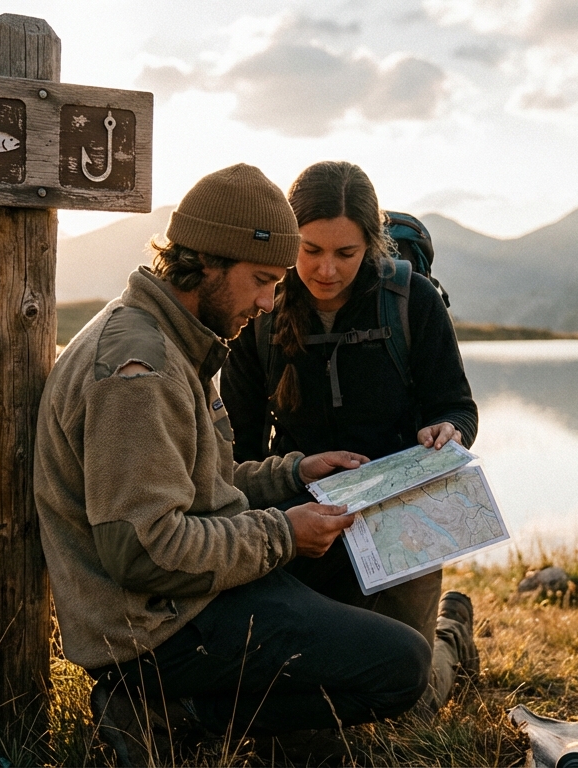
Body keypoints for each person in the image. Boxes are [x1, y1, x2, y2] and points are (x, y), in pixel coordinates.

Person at [33, 163, 431, 766]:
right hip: (156, 630)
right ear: (209, 263)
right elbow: (145, 551)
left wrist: (293, 475)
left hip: (190, 598)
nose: (270, 302)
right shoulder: (141, 372)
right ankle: (172, 713)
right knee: (402, 669)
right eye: (262, 280)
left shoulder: (174, 338)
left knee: (364, 606)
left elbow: (200, 484)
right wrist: (284, 533)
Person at [222, 160, 481, 714]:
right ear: (290, 239)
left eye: (346, 253)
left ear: (373, 244)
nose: (326, 270)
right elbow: (237, 451)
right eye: (311, 249)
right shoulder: (259, 310)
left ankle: (450, 636)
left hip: (403, 519)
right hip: (303, 523)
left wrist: (449, 429)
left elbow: (456, 405)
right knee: (311, 690)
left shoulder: (412, 301)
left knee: (407, 701)